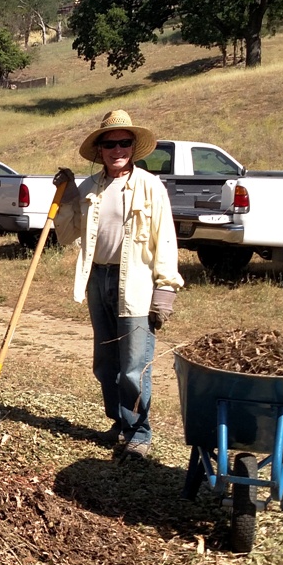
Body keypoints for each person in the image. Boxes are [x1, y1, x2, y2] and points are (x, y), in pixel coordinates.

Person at [52, 110, 183, 459]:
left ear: (134, 147)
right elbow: (67, 236)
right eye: (109, 144)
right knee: (106, 363)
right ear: (100, 149)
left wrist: (166, 290)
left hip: (137, 282)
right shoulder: (89, 187)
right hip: (99, 278)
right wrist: (65, 200)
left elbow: (165, 239)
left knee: (133, 365)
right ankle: (120, 421)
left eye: (124, 142)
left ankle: (139, 433)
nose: (117, 149)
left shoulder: (150, 186)